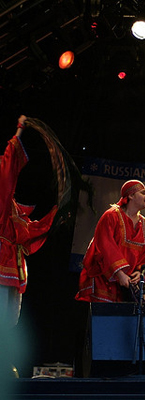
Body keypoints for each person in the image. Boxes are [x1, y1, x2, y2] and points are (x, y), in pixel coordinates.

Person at [0, 115, 58, 326]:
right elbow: (5, 170)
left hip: (14, 265)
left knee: (10, 318)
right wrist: (19, 131)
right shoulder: (2, 203)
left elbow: (30, 231)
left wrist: (55, 215)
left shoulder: (13, 208)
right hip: (2, 261)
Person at [75, 180, 145, 303]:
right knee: (105, 319)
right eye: (143, 193)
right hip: (104, 279)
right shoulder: (111, 216)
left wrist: (139, 272)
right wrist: (120, 273)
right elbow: (105, 247)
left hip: (126, 283)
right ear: (131, 196)